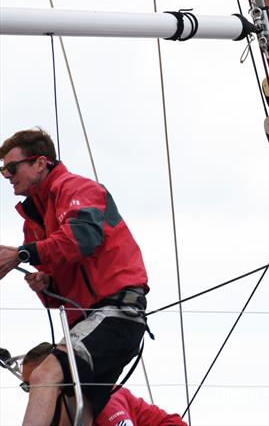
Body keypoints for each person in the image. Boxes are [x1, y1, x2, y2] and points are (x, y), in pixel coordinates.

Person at [0, 128, 149, 425]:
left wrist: (22, 254)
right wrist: (46, 283)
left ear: (41, 163)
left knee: (45, 374)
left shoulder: (75, 188)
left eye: (11, 167)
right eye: (3, 169)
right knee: (70, 413)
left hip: (116, 313)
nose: (6, 175)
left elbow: (83, 237)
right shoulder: (34, 219)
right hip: (87, 319)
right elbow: (58, 285)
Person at [22, 342, 186, 426]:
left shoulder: (99, 398)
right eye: (27, 387)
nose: (31, 393)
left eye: (35, 384)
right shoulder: (60, 408)